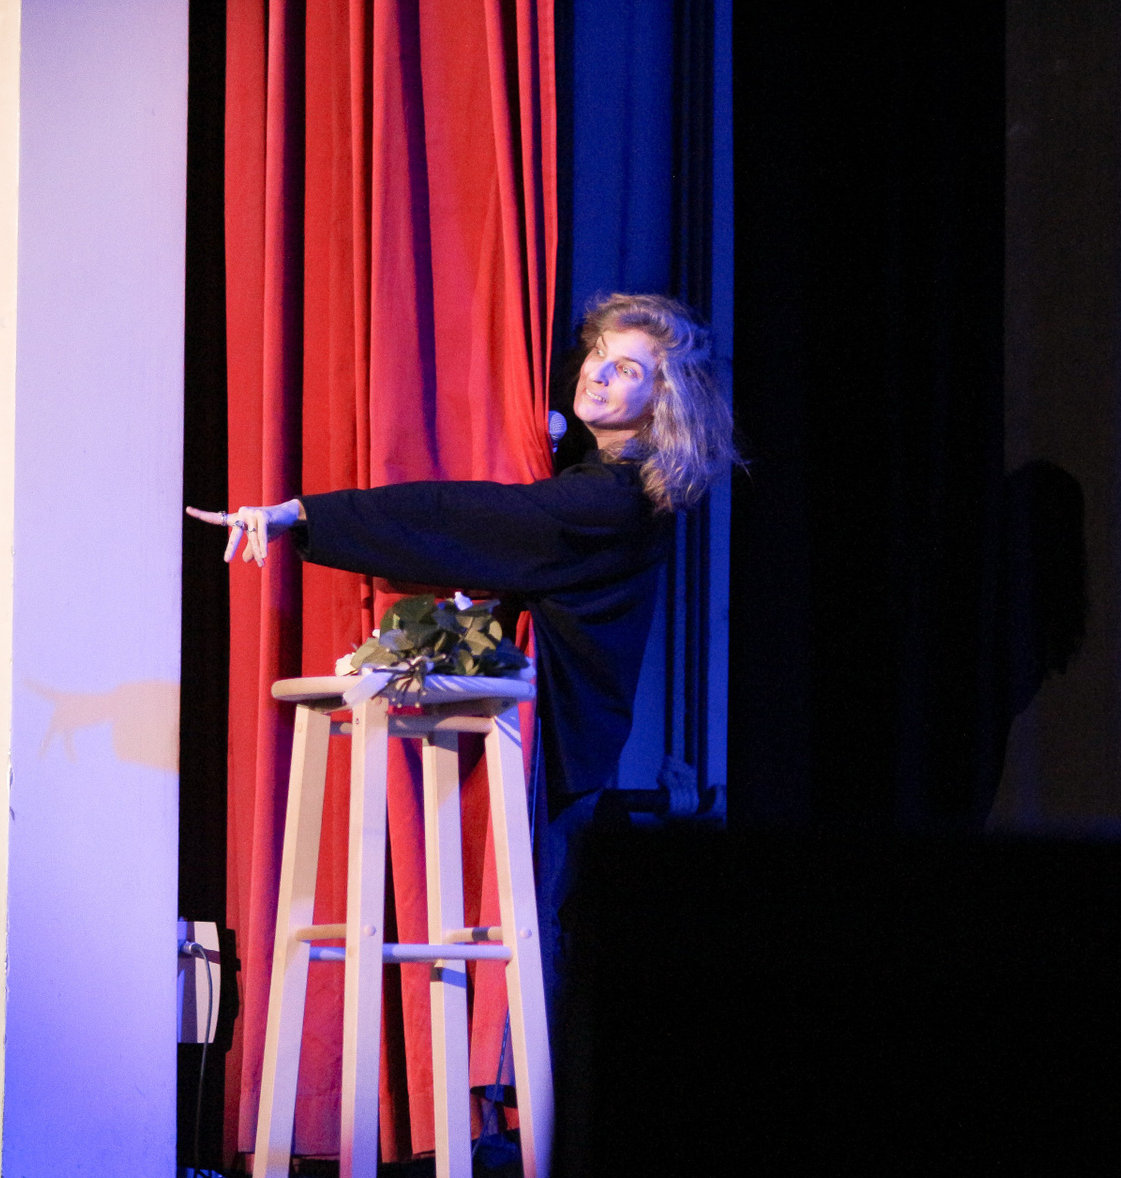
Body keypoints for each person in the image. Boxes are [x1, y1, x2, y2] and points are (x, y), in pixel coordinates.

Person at [187, 292, 738, 1000]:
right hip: (556, 746)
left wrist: (303, 513)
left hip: (554, 751)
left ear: (664, 401)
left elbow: (471, 516)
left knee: (525, 967)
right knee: (519, 952)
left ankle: (506, 1073)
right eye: (599, 353)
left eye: (626, 369)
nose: (597, 373)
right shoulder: (609, 478)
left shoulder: (613, 502)